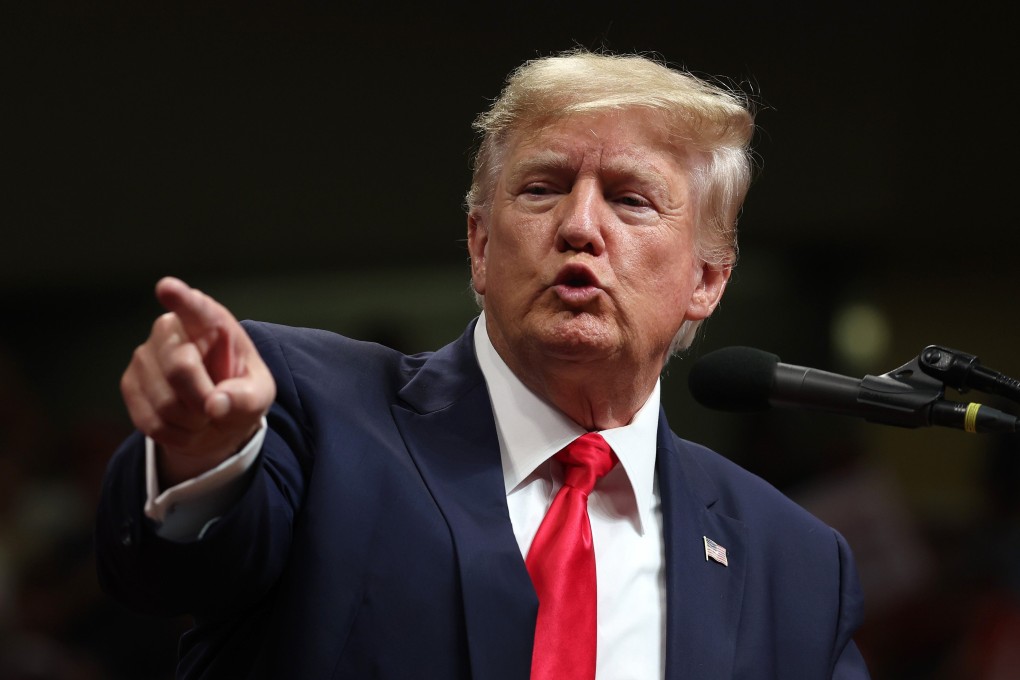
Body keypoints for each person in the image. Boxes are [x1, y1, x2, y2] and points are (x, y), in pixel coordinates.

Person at [95, 50, 871, 679]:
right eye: (542, 189)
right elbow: (166, 577)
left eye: (631, 200)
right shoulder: (314, 413)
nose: (579, 225)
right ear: (479, 244)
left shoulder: (793, 564)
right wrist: (203, 452)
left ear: (707, 279)